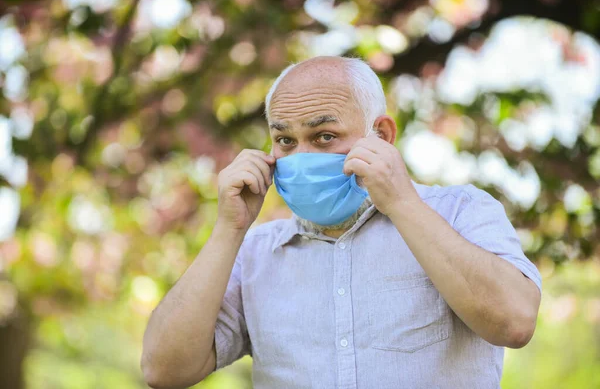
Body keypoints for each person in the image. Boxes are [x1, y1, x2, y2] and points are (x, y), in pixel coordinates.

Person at [141, 56, 542, 389]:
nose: (301, 155)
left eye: (325, 136)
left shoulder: (460, 211)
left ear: (381, 135)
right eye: (285, 141)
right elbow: (164, 370)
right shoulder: (256, 252)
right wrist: (229, 230)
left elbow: (515, 323)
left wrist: (401, 202)